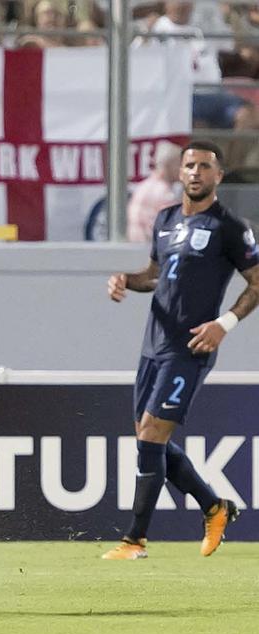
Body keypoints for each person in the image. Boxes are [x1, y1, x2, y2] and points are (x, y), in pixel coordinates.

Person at [103, 140, 259, 560]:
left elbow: (257, 281)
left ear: (219, 176)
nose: (195, 172)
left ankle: (134, 540)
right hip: (153, 342)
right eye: (190, 165)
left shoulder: (230, 226)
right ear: (180, 172)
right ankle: (214, 506)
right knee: (146, 438)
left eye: (205, 166)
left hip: (190, 346)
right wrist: (124, 280)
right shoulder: (166, 219)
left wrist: (223, 324)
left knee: (152, 433)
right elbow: (154, 275)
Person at [126, 141, 183, 243]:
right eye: (179, 164)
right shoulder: (165, 194)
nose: (182, 169)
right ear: (168, 165)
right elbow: (176, 229)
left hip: (136, 247)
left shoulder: (143, 186)